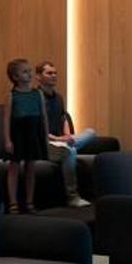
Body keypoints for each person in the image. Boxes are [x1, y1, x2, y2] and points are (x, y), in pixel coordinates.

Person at [35, 60, 97, 207]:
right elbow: (36, 128)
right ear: (38, 76)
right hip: (45, 143)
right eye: (49, 73)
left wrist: (67, 136)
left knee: (91, 132)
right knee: (70, 152)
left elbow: (63, 118)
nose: (53, 75)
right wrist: (57, 138)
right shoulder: (34, 98)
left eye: (55, 73)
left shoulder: (58, 98)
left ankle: (68, 145)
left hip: (60, 141)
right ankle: (72, 197)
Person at [3, 58, 48, 214]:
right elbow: (6, 119)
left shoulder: (38, 94)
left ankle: (29, 201)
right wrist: (7, 140)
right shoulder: (12, 95)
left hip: (33, 133)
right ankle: (13, 202)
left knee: (31, 167)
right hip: (18, 134)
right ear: (15, 77)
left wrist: (45, 136)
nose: (29, 74)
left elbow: (44, 117)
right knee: (14, 167)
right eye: (25, 72)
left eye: (30, 71)